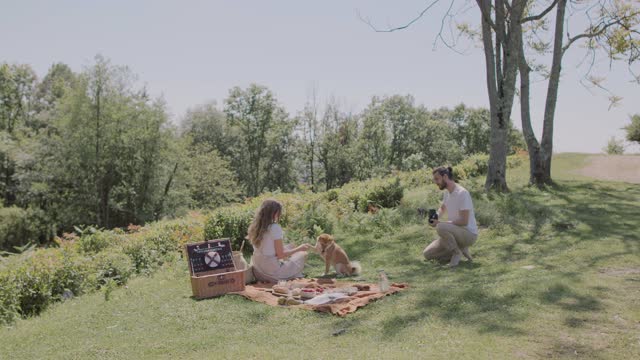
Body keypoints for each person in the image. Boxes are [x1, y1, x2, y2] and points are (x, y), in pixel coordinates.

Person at [423, 166, 478, 267]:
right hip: (454, 234)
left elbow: (464, 221)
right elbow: (443, 208)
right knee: (427, 254)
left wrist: (440, 223)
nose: (435, 182)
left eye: (437, 179)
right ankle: (460, 249)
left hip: (468, 234)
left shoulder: (462, 193)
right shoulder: (447, 193)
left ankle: (456, 253)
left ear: (445, 177)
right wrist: (436, 216)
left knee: (440, 227)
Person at [248, 199, 312, 282]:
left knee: (291, 246)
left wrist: (291, 248)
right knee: (302, 254)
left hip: (258, 272)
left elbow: (268, 248)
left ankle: (293, 273)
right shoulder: (274, 227)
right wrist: (300, 248)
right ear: (274, 213)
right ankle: (292, 274)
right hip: (271, 274)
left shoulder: (255, 227)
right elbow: (281, 255)